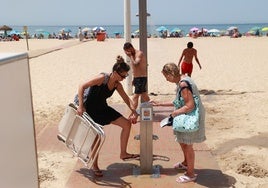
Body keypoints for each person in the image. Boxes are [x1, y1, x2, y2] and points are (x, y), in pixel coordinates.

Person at [77, 55, 139, 177]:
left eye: (126, 76)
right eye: (123, 76)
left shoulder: (117, 85)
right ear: (115, 73)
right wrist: (80, 106)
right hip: (89, 108)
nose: (124, 78)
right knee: (97, 137)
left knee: (126, 124)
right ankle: (94, 165)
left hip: (102, 108)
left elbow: (126, 98)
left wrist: (134, 111)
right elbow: (81, 86)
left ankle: (123, 153)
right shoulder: (102, 78)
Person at [150, 63, 206, 183]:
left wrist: (173, 114)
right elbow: (178, 101)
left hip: (190, 117)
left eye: (166, 76)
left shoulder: (183, 84)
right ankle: (186, 163)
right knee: (182, 140)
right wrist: (159, 103)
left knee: (188, 144)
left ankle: (191, 174)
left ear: (171, 74)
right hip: (186, 114)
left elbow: (189, 105)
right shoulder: (183, 79)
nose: (166, 79)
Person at [123, 42, 150, 110]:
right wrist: (134, 79)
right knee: (144, 95)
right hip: (137, 78)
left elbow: (136, 64)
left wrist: (130, 56)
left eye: (128, 51)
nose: (128, 53)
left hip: (141, 78)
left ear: (131, 48)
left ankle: (133, 113)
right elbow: (135, 69)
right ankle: (152, 107)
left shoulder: (139, 53)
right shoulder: (132, 55)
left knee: (135, 96)